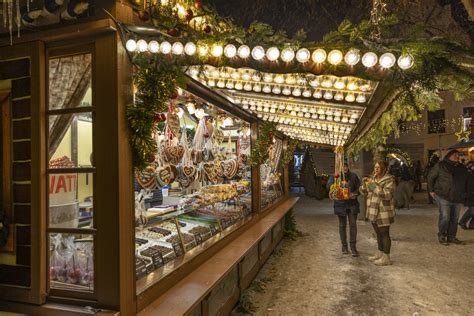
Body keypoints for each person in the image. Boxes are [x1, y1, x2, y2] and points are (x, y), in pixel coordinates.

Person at [359, 160, 396, 266]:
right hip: (372, 210)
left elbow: (387, 195)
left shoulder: (389, 180)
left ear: (384, 168)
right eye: (375, 167)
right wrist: (364, 184)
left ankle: (387, 257)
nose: (376, 169)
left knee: (384, 233)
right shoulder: (373, 178)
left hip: (383, 211)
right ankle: (380, 252)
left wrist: (373, 186)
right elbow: (363, 192)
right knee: (378, 233)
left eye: (379, 167)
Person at [427, 149, 467, 245]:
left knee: (455, 218)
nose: (457, 156)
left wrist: (465, 192)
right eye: (455, 154)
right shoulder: (440, 165)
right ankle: (442, 235)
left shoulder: (461, 167)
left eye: (458, 155)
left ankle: (452, 237)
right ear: (449, 156)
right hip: (443, 195)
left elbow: (466, 180)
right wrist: (431, 190)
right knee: (445, 217)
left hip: (457, 196)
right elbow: (430, 177)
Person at [326, 163, 361, 256]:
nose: (344, 168)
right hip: (340, 204)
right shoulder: (335, 176)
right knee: (342, 225)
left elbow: (359, 187)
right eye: (342, 167)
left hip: (352, 204)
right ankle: (344, 247)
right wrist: (335, 187)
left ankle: (353, 247)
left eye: (345, 166)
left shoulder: (353, 176)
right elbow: (328, 186)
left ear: (347, 167)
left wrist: (355, 193)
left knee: (353, 225)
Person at [459, 162, 474, 230]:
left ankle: (472, 224)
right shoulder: (466, 174)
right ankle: (462, 221)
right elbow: (463, 185)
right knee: (472, 210)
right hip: (469, 194)